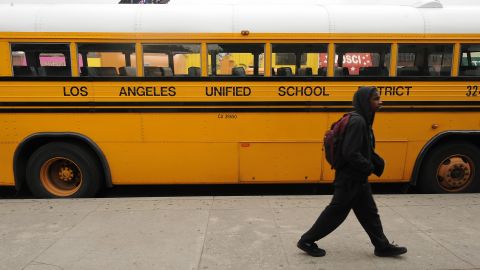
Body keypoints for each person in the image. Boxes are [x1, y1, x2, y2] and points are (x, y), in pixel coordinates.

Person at [297, 86, 407, 257]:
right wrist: (368, 166)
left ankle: (382, 246)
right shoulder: (358, 122)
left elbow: (361, 149)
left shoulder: (362, 119)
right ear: (365, 101)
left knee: (369, 213)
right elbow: (350, 152)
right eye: (376, 99)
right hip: (350, 178)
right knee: (336, 212)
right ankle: (306, 240)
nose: (380, 102)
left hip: (356, 177)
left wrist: (374, 161)